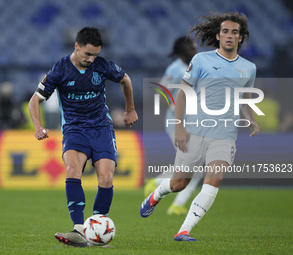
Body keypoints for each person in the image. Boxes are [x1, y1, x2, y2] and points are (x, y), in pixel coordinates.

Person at [140, 12, 259, 241]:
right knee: (179, 183)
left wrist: (251, 118)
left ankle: (184, 230)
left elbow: (244, 97)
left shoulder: (249, 68)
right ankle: (157, 193)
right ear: (218, 35)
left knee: (213, 179)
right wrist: (179, 127)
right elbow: (183, 93)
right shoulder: (201, 60)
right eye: (225, 31)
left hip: (225, 135)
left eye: (235, 32)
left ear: (241, 38)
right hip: (195, 130)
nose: (230, 36)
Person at [28, 27, 138, 247]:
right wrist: (38, 127)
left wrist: (129, 109)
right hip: (75, 129)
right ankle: (79, 229)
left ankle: (97, 228)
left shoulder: (102, 65)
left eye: (95, 54)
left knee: (106, 178)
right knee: (72, 170)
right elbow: (35, 100)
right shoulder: (60, 69)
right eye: (88, 54)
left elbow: (125, 79)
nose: (91, 59)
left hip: (101, 128)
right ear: (76, 46)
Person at [144, 36, 204, 216]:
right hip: (176, 123)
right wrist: (172, 104)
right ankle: (176, 204)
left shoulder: (199, 66)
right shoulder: (175, 69)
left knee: (192, 164)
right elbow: (161, 91)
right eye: (191, 50)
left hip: (195, 122)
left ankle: (157, 183)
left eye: (195, 48)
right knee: (194, 164)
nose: (195, 52)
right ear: (181, 53)